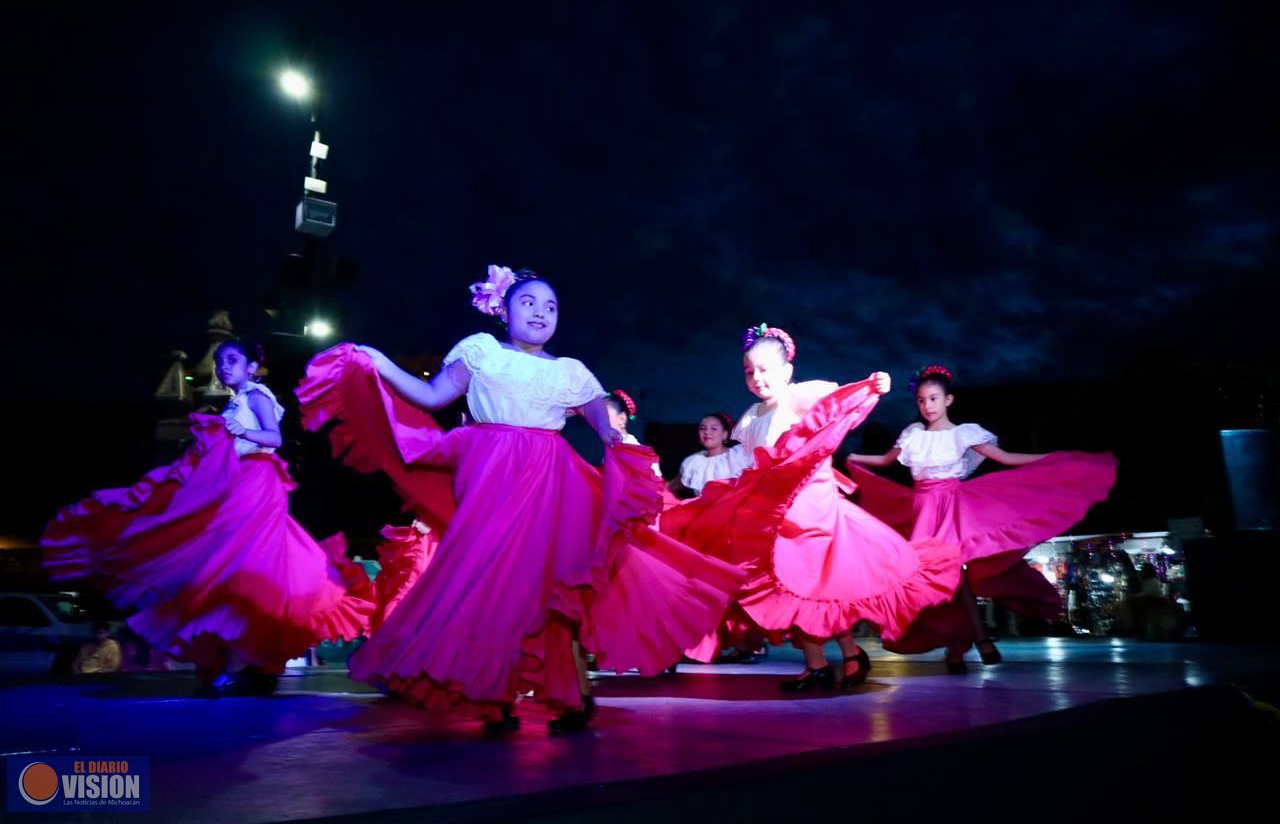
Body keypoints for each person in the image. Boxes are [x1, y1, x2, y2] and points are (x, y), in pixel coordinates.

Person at [295, 265, 745, 732]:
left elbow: (601, 423)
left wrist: (618, 446)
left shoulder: (570, 371)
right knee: (489, 584)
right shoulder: (481, 351)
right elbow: (431, 396)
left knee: (548, 587)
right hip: (489, 476)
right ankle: (495, 695)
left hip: (550, 482)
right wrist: (379, 363)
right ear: (504, 310)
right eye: (528, 302)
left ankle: (571, 695)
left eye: (550, 306)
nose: (540, 312)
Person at [42, 339, 374, 695]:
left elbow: (274, 438)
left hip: (257, 479)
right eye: (219, 362)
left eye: (232, 360)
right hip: (240, 479)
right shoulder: (237, 400)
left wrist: (241, 432)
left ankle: (239, 662)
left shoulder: (256, 394)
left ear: (251, 367)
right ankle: (242, 661)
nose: (222, 367)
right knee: (232, 568)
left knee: (243, 564)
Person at [661, 325, 962, 692]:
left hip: (811, 507)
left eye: (765, 369)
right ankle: (829, 661)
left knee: (808, 586)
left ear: (786, 370)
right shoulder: (752, 417)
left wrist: (872, 386)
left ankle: (839, 658)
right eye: (749, 372)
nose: (757, 378)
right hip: (775, 514)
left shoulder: (800, 396)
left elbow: (839, 405)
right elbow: (754, 466)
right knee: (796, 591)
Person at [846, 365, 1116, 670]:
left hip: (952, 509)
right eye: (921, 400)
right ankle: (966, 641)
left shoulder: (964, 433)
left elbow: (1006, 458)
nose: (927, 406)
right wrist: (854, 458)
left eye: (933, 398)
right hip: (921, 510)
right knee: (934, 581)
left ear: (948, 400)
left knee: (953, 577)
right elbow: (884, 460)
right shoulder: (913, 434)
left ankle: (970, 641)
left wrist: (1051, 458)